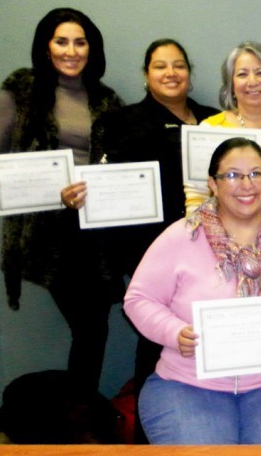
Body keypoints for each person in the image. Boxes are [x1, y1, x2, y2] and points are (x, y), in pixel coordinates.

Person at [124, 138, 261, 444]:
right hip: (189, 384)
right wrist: (175, 333)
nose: (247, 184)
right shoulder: (180, 237)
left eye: (257, 174)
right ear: (213, 185)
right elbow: (138, 299)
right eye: (232, 175)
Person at [0, 7, 122, 393]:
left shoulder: (107, 99)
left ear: (92, 48)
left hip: (97, 230)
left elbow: (116, 162)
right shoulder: (21, 87)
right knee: (89, 326)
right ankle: (79, 414)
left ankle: (79, 412)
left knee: (95, 326)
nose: (71, 51)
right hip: (47, 235)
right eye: (61, 41)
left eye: (80, 42)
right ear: (46, 46)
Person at [91, 38, 218, 440]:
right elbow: (106, 186)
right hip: (152, 249)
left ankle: (208, 420)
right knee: (156, 341)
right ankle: (150, 433)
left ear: (190, 73)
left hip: (216, 250)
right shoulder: (121, 121)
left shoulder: (215, 121)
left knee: (209, 335)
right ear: (146, 74)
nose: (170, 73)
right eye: (160, 66)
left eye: (179, 65)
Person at [184, 41, 261, 212]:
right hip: (225, 234)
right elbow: (196, 197)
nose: (252, 82)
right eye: (242, 74)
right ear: (231, 85)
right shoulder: (209, 130)